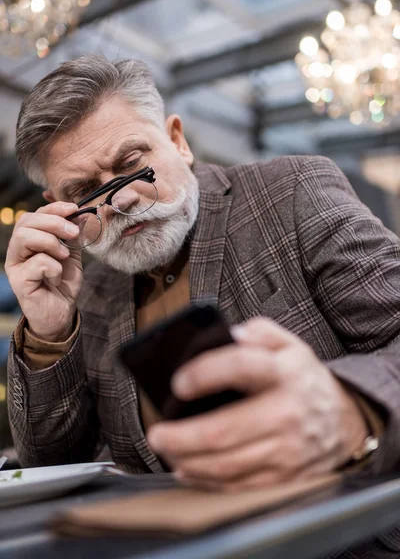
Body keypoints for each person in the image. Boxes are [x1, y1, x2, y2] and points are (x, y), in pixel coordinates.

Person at [6, 56, 400, 558]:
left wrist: (351, 410)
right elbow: (50, 465)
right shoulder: (84, 285)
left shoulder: (292, 193)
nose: (121, 200)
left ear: (178, 140)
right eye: (85, 193)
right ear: (55, 204)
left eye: (132, 165)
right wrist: (48, 327)